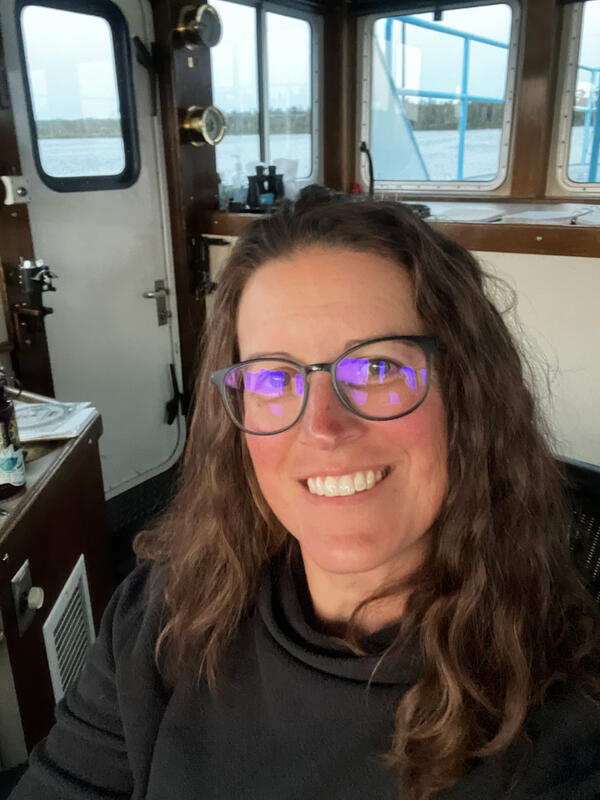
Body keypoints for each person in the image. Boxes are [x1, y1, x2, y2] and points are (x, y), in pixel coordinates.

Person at [9, 189, 600, 800]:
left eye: (376, 369)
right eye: (273, 377)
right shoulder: (164, 612)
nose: (322, 428)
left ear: (470, 396)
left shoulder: (562, 728)